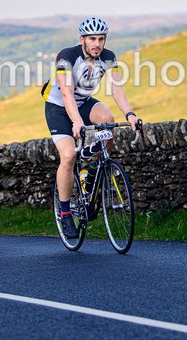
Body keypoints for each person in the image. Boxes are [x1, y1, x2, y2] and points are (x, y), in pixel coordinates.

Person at [42, 17, 139, 238]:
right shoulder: (66, 56)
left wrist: (131, 114)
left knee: (108, 120)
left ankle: (93, 171)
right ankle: (66, 214)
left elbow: (117, 89)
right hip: (58, 107)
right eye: (92, 39)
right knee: (68, 156)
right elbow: (66, 93)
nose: (97, 43)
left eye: (101, 39)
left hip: (84, 103)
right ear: (82, 39)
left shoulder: (108, 57)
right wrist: (76, 121)